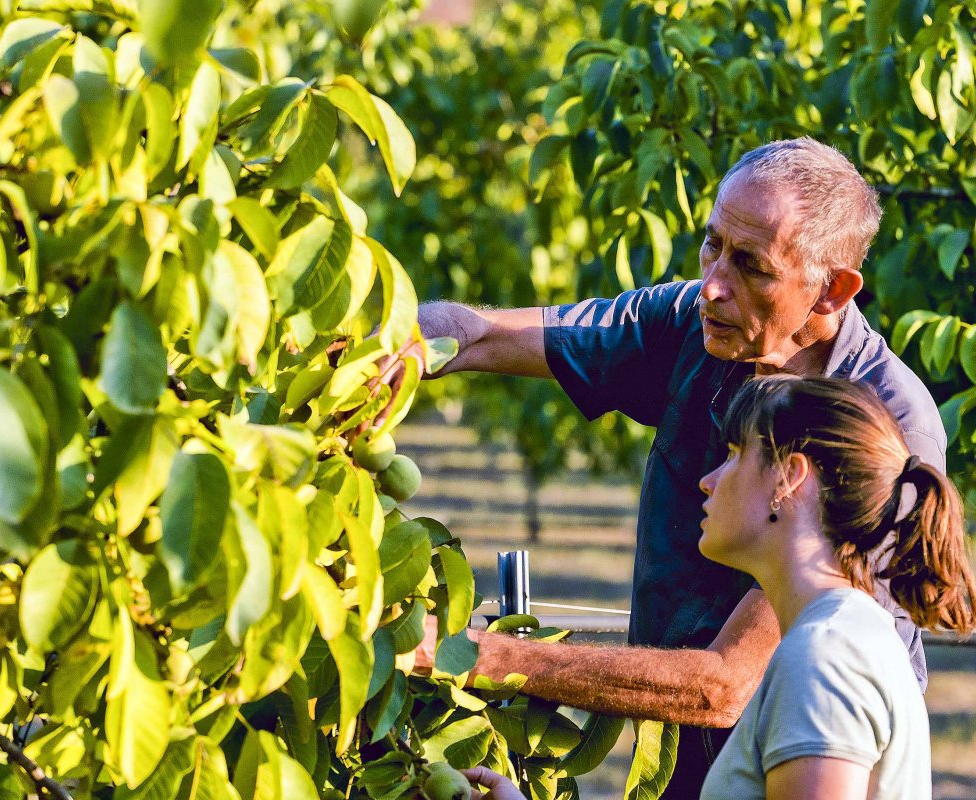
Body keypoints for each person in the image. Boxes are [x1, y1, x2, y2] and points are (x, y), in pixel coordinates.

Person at [406, 138, 948, 796]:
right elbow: (482, 333)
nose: (714, 284)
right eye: (712, 244)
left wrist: (468, 656)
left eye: (752, 265)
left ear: (831, 289)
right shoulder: (698, 322)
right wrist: (401, 341)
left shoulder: (882, 428)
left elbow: (726, 684)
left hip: (786, 748)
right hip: (685, 753)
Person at [443, 376, 976, 800]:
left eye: (733, 454)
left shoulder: (825, 657)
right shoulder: (842, 633)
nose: (709, 478)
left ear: (787, 478)